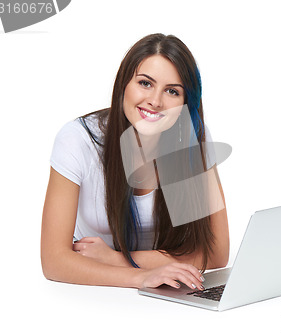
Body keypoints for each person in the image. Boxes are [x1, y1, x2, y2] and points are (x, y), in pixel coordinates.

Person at [41, 33, 229, 290]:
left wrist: (119, 259)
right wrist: (142, 277)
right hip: (87, 291)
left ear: (186, 103)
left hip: (168, 294)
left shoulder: (193, 139)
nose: (155, 101)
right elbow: (54, 261)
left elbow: (217, 254)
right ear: (124, 85)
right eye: (145, 83)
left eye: (172, 91)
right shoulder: (78, 139)